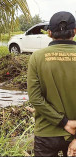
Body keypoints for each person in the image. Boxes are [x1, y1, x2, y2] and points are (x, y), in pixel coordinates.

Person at [27, 11, 76, 156]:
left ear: (49, 33)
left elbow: (35, 98)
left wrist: (64, 122)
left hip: (47, 133)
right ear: (75, 31)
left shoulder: (37, 57)